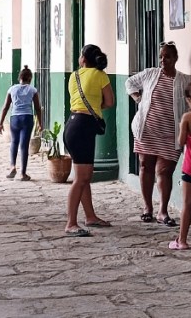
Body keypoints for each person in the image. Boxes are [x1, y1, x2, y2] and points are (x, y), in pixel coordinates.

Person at [127, 41, 191, 226]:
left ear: (175, 58)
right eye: (161, 56)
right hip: (146, 131)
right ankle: (147, 207)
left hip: (170, 135)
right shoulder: (150, 74)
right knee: (145, 167)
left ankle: (162, 211)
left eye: (167, 56)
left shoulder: (184, 80)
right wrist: (137, 98)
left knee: (165, 172)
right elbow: (130, 82)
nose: (163, 60)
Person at [63, 44, 115, 236]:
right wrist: (96, 106)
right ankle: (71, 223)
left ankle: (90, 216)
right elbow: (109, 102)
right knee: (81, 178)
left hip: (72, 124)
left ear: (83, 58)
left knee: (84, 177)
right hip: (84, 127)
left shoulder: (73, 75)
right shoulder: (100, 75)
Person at [0, 65, 43, 181]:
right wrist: (40, 123)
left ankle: (12, 166)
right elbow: (37, 108)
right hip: (27, 118)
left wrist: (1, 122)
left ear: (20, 78)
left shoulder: (12, 89)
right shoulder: (33, 90)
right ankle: (23, 173)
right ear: (30, 78)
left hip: (15, 118)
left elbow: (5, 107)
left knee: (14, 142)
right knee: (24, 145)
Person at [169, 82, 191, 250]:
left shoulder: (187, 118)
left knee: (187, 204)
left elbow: (180, 142)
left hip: (190, 166)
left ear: (189, 98)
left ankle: (182, 240)